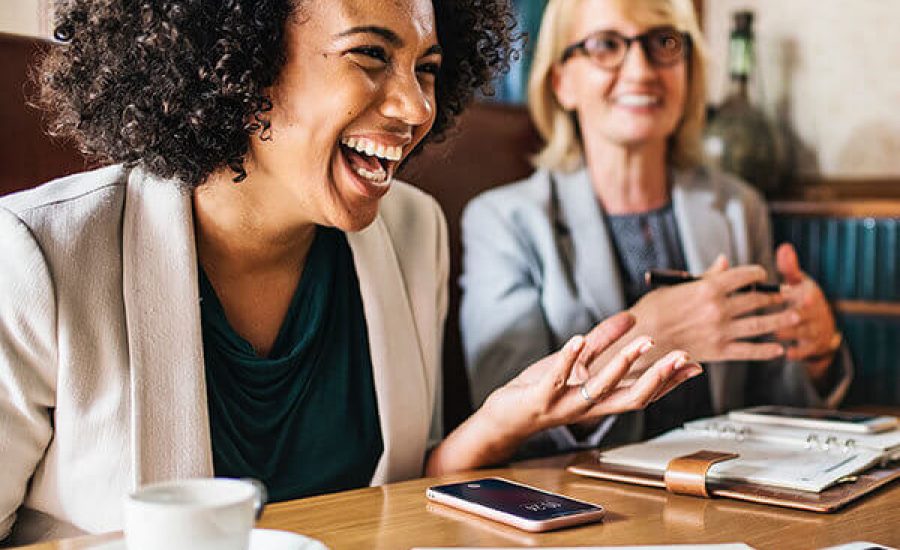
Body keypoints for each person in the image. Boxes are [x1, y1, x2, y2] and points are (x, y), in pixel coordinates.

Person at [0, 0, 700, 544]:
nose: (417, 106)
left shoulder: (412, 231)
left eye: (427, 67)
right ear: (240, 66)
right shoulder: (38, 256)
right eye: (371, 55)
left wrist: (495, 425)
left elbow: (383, 505)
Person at [460, 0, 851, 457]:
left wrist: (818, 351)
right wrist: (651, 336)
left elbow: (769, 402)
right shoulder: (503, 222)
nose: (642, 69)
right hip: (584, 508)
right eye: (607, 44)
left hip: (726, 493)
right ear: (561, 82)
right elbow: (508, 422)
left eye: (663, 43)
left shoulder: (737, 208)